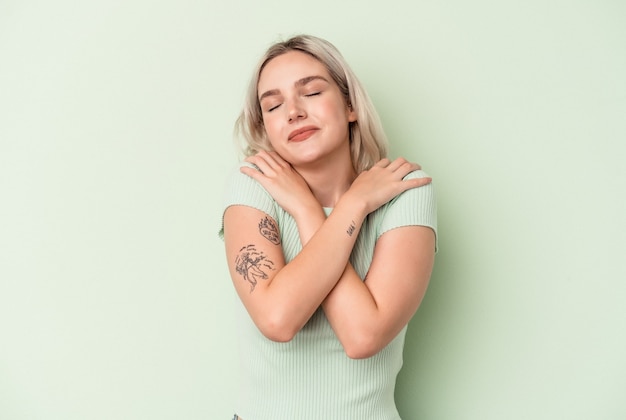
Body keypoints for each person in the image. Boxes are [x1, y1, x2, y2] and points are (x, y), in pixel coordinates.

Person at [219, 34, 437, 420]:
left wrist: (333, 207)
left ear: (350, 105)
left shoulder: (405, 191)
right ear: (266, 126)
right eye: (273, 105)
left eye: (312, 92)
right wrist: (326, 206)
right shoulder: (253, 186)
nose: (293, 112)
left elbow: (363, 335)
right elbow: (278, 319)